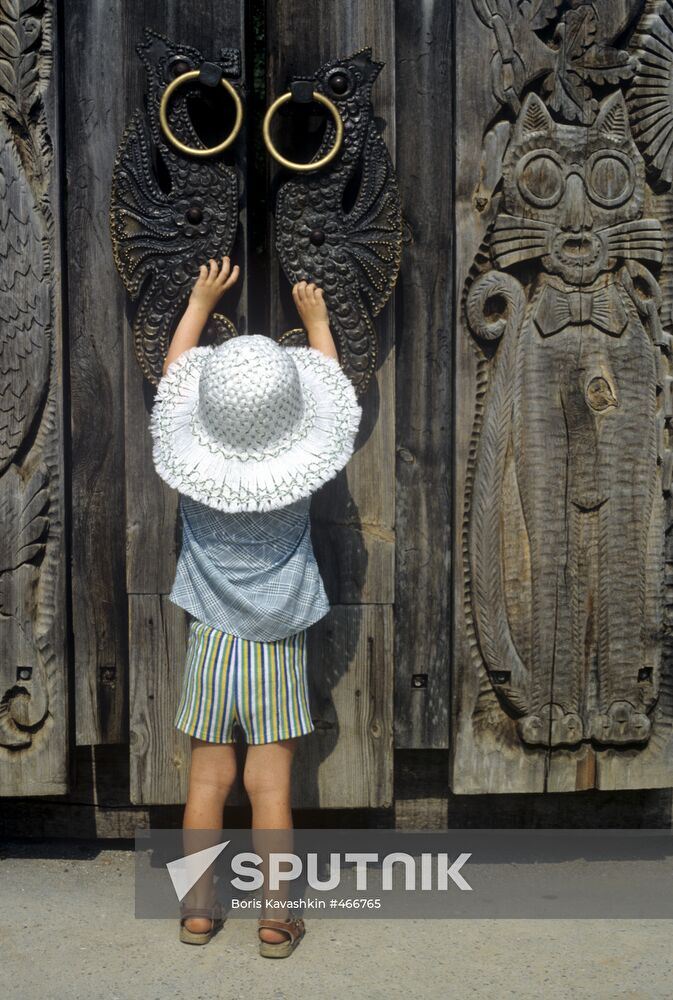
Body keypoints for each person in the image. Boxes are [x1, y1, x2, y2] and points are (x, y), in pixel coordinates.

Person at [148, 256, 361, 957]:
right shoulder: (295, 476)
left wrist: (199, 302)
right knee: (271, 785)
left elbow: (174, 378)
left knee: (207, 780)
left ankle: (198, 911)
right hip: (277, 639)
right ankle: (276, 918)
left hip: (212, 636)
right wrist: (317, 323)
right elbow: (329, 394)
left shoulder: (200, 474)